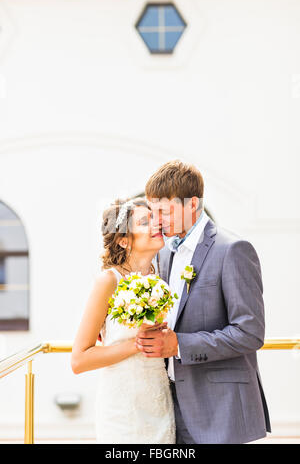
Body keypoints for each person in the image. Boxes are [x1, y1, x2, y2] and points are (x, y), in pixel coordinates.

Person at [136, 159, 271, 444]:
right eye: (154, 211)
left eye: (165, 211)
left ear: (192, 204)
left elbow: (250, 333)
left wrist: (180, 345)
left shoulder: (233, 250)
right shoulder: (162, 254)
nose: (158, 220)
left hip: (221, 411)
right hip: (171, 408)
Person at [71, 197, 175, 444]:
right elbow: (79, 359)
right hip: (122, 408)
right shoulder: (108, 281)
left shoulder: (164, 277)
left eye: (154, 218)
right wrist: (135, 345)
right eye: (144, 222)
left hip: (160, 400)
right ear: (123, 240)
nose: (155, 224)